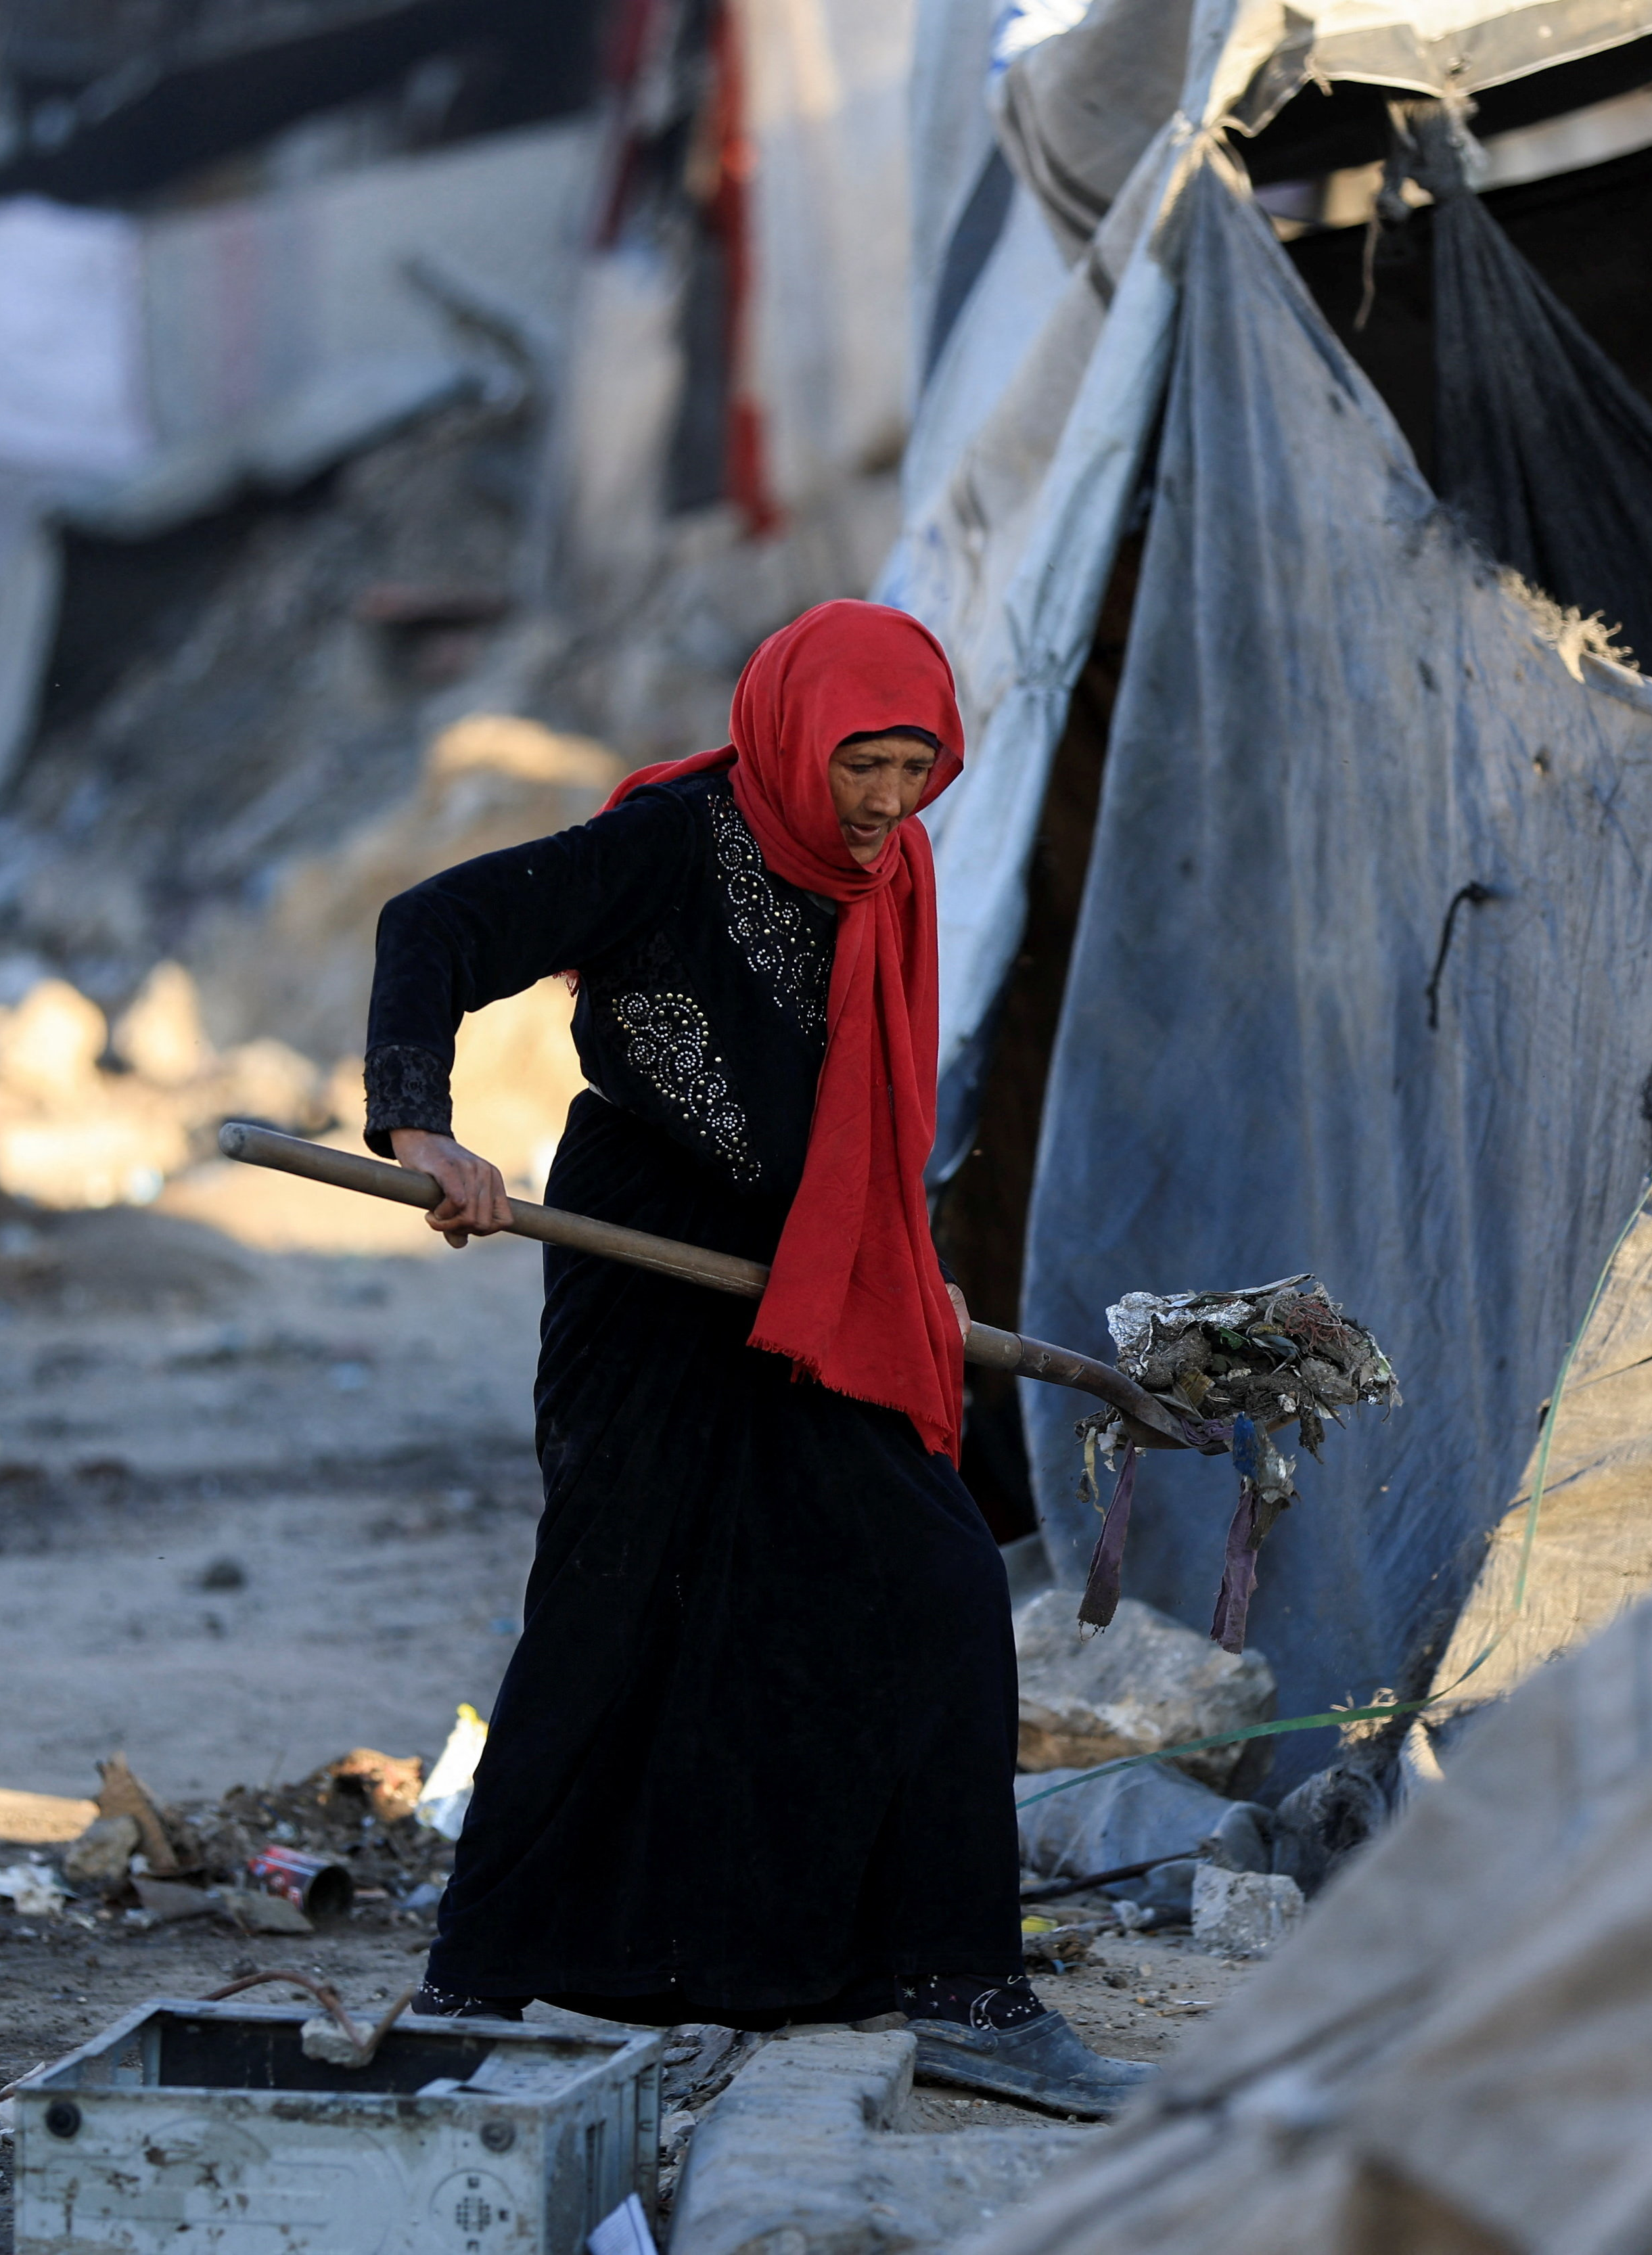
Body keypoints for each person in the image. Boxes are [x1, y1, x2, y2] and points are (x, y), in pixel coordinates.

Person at [360, 600, 1147, 2116]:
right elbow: (434, 928)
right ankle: (473, 1980)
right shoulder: (669, 841)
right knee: (611, 1599)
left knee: (932, 1581)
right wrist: (423, 1130)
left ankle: (963, 1982)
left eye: (918, 765)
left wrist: (891, 1268)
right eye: (863, 762)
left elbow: (865, 1111)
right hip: (646, 1268)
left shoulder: (894, 869)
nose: (886, 799)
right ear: (797, 736)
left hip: (819, 1278)